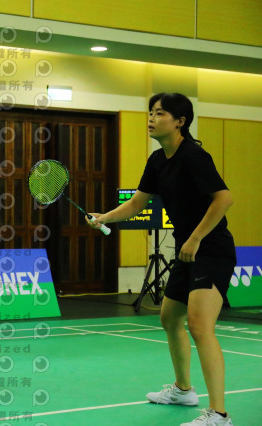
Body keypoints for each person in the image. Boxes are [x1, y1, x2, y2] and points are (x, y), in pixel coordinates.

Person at [88, 93, 236, 426]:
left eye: (160, 113)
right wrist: (105, 217)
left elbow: (224, 199)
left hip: (211, 250)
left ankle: (219, 414)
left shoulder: (194, 156)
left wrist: (196, 238)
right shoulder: (157, 160)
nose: (151, 118)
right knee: (170, 319)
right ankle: (183, 390)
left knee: (200, 326)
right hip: (187, 250)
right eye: (151, 112)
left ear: (180, 121)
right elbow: (137, 203)